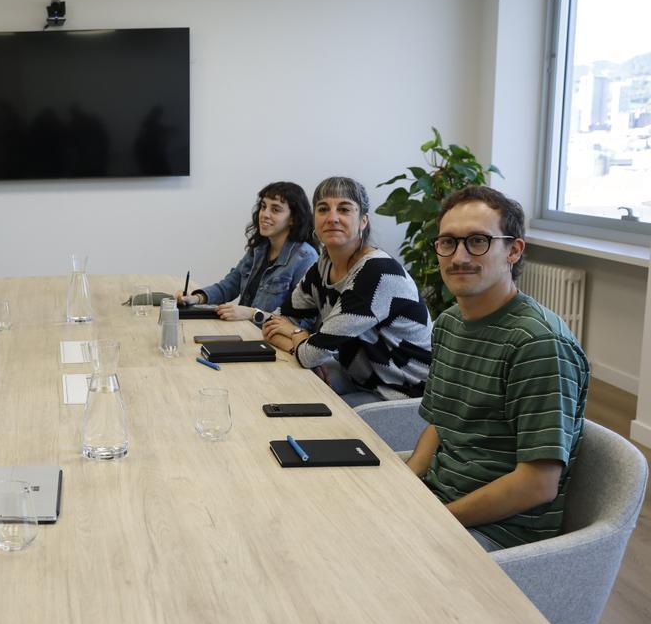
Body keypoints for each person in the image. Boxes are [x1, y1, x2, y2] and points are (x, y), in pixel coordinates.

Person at [406, 186, 588, 551]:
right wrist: (404, 485)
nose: (459, 256)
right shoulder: (448, 323)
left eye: (477, 241)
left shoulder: (537, 344)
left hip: (499, 532)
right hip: (439, 502)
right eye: (448, 242)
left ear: (513, 251)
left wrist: (437, 520)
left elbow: (537, 483)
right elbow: (442, 424)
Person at [262, 176, 431, 406]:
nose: (332, 218)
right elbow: (276, 322)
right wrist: (305, 344)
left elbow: (311, 354)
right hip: (359, 379)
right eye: (323, 209)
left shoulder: (378, 272)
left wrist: (301, 339)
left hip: (403, 397)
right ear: (314, 220)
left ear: (363, 221)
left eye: (344, 209)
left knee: (304, 414)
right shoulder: (323, 265)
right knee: (276, 390)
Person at [175, 181, 318, 319]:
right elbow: (230, 285)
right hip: (245, 330)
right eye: (263, 207)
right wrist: (197, 298)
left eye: (275, 209)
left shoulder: (306, 258)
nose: (265, 214)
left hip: (271, 340)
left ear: (293, 219)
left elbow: (302, 320)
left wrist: (252, 314)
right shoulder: (259, 248)